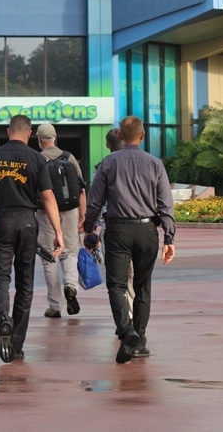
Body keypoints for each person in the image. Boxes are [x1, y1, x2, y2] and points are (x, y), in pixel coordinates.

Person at [0, 114, 65, 363]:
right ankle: (17, 343)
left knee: (0, 277)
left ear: (8, 131)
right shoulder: (36, 159)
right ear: (29, 133)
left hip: (1, 222)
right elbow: (49, 197)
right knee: (25, 284)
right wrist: (58, 233)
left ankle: (2, 319)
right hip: (28, 222)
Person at [84, 115, 176, 364]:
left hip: (118, 230)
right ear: (142, 136)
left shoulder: (108, 163)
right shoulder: (155, 164)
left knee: (116, 285)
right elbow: (166, 204)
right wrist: (169, 237)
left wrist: (89, 227)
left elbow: (95, 201)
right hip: (147, 230)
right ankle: (141, 340)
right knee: (143, 285)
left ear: (121, 137)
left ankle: (126, 332)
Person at [35, 122, 87, 318]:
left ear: (39, 140)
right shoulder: (69, 157)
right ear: (55, 137)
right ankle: (71, 286)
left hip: (46, 213)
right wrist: (82, 215)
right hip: (70, 211)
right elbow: (81, 189)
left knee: (50, 258)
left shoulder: (37, 159)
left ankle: (55, 306)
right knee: (70, 253)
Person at [94, 128, 135, 321]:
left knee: (117, 278)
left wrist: (91, 228)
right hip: (140, 226)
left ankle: (124, 320)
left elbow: (96, 200)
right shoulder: (141, 162)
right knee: (132, 275)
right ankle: (134, 314)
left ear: (107, 144)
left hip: (113, 226)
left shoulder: (104, 166)